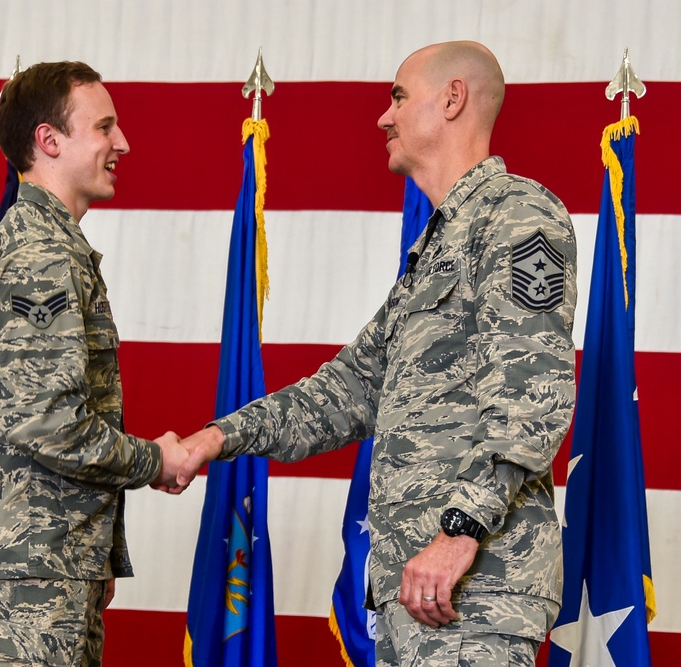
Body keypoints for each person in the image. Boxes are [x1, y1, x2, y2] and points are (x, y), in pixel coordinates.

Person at [177, 41, 577, 666]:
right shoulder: (434, 249)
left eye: (397, 96)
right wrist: (217, 439)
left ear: (452, 99)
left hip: (471, 591)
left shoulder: (516, 215)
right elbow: (344, 391)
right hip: (410, 592)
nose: (383, 118)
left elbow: (535, 393)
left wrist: (459, 532)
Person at [0, 61, 187, 666]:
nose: (121, 143)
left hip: (46, 571)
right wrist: (155, 460)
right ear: (49, 141)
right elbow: (50, 423)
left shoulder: (53, 248)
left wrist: (94, 554)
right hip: (22, 585)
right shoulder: (39, 257)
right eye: (104, 127)